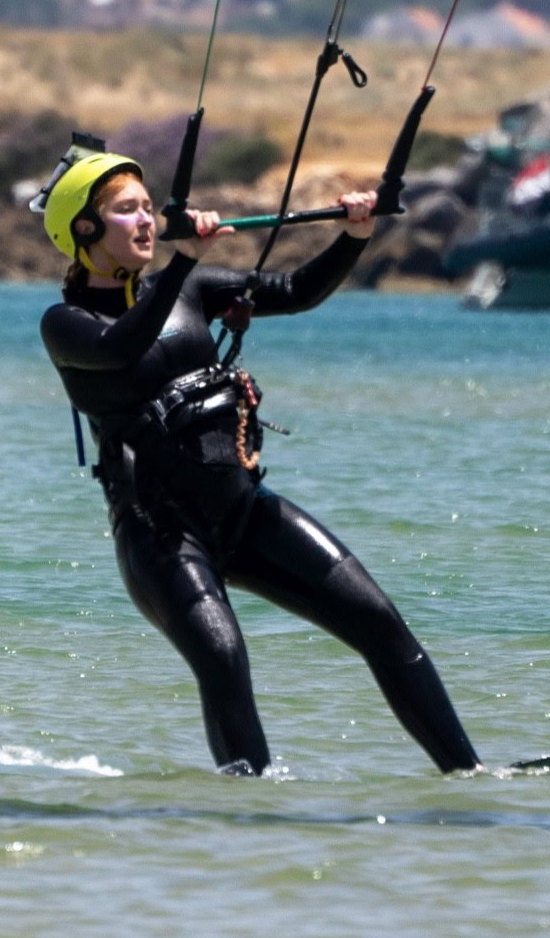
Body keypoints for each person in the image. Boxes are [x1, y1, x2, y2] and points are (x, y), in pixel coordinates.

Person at [34, 137, 479, 775]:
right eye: (128, 211)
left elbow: (296, 289)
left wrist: (354, 236)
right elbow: (121, 350)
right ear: (83, 229)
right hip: (162, 539)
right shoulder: (66, 323)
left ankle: (470, 775)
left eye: (148, 209)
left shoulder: (186, 287)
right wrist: (185, 262)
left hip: (245, 513)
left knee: (381, 626)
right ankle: (250, 809)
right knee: (224, 662)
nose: (147, 222)